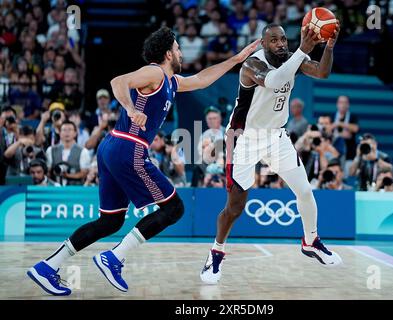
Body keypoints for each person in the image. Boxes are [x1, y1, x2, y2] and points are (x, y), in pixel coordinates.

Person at [27, 27, 259, 296]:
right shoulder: (155, 73)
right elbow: (118, 82)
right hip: (129, 148)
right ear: (168, 53)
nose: (182, 52)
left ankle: (48, 267)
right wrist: (130, 109)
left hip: (112, 147)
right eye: (178, 48)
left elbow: (201, 79)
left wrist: (236, 59)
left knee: (110, 222)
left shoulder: (171, 82)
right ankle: (114, 258)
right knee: (174, 209)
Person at [200, 22, 343, 285]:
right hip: (243, 138)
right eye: (274, 40)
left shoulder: (291, 58)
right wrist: (302, 50)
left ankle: (311, 241)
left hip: (276, 135)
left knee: (305, 191)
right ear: (264, 43)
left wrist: (329, 48)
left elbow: (322, 72)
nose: (280, 44)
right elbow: (275, 80)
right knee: (235, 207)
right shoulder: (251, 66)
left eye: (283, 40)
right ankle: (216, 252)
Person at [46, 120, 91, 186]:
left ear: (75, 133)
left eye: (70, 130)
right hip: (55, 190)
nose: (67, 132)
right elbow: (48, 172)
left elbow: (84, 173)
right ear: (59, 132)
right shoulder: (51, 150)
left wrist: (67, 175)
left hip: (75, 189)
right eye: (64, 130)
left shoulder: (83, 151)